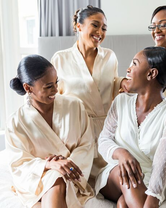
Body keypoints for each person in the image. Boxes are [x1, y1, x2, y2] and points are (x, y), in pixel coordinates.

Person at [94, 47, 166, 208]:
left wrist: (152, 199)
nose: (128, 69)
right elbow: (103, 140)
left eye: (134, 64)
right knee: (129, 176)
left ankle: (125, 200)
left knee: (123, 204)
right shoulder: (121, 101)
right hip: (116, 171)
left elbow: (162, 164)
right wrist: (121, 153)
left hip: (153, 178)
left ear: (151, 74)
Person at [6, 55, 95, 208]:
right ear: (28, 88)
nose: (56, 90)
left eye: (56, 83)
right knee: (55, 177)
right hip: (37, 179)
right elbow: (18, 163)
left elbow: (87, 145)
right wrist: (48, 165)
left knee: (58, 177)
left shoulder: (75, 106)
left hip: (75, 174)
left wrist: (67, 166)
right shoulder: (16, 122)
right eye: (48, 86)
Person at [51, 5, 127, 180]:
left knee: (116, 178)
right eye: (95, 25)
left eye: (104, 28)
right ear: (79, 27)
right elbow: (55, 98)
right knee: (74, 181)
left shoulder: (109, 56)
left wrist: (122, 81)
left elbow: (111, 84)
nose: (100, 32)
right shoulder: (60, 58)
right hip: (75, 133)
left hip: (106, 131)